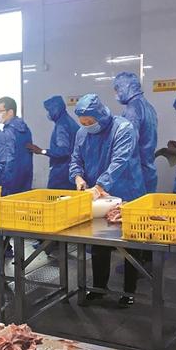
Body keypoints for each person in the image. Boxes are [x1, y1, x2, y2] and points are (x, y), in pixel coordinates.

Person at [69, 94, 145, 306]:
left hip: (127, 192)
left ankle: (129, 291)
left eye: (90, 122)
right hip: (100, 197)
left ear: (100, 115)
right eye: (83, 123)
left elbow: (119, 161)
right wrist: (77, 176)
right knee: (99, 241)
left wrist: (100, 185)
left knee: (130, 244)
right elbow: (76, 158)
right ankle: (99, 288)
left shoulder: (123, 129)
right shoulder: (82, 133)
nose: (87, 126)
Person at [113, 72, 158, 193]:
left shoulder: (132, 111)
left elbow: (127, 145)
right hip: (147, 171)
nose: (116, 93)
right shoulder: (148, 107)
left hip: (135, 175)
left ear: (125, 87)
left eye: (117, 89)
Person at [27, 95, 80, 190]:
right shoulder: (70, 121)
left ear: (56, 109)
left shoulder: (61, 126)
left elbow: (63, 151)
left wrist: (42, 151)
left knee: (55, 197)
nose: (49, 114)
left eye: (49, 110)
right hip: (72, 170)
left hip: (62, 173)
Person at [0, 96, 33, 196]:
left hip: (11, 180)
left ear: (10, 112)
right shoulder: (25, 128)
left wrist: (4, 181)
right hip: (25, 177)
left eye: (0, 111)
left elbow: (8, 158)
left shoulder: (9, 132)